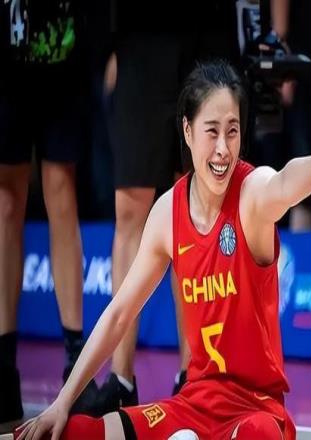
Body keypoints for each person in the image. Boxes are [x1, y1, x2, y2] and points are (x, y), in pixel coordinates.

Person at [14, 60, 311, 440]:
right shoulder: (167, 212)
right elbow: (119, 314)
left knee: (257, 434)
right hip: (194, 405)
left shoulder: (251, 193)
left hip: (256, 411)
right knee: (77, 432)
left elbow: (284, 183)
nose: (223, 149)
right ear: (187, 130)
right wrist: (62, 402)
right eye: (212, 132)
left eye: (233, 131)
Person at [94, 1, 241, 411]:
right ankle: (121, 380)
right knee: (130, 208)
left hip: (207, 34)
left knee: (199, 206)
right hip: (141, 37)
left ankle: (194, 377)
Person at [0, 0, 96, 428]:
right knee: (6, 202)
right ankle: (3, 367)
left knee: (62, 192)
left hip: (63, 53)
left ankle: (75, 364)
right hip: (7, 58)